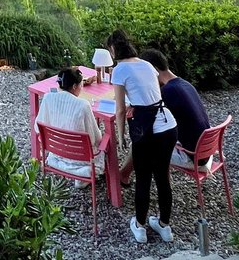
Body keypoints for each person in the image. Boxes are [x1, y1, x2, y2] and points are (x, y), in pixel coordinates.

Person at [109, 31, 179, 244]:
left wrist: (120, 135)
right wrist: (136, 104)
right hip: (168, 125)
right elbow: (151, 94)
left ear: (112, 50)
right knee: (162, 177)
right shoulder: (147, 65)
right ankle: (165, 227)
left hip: (147, 131)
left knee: (143, 179)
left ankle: (140, 227)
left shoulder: (119, 70)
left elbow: (119, 110)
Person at [140, 49, 213, 173]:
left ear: (154, 70)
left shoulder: (168, 92)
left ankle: (122, 177)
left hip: (193, 157)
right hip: (207, 149)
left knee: (140, 146)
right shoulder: (185, 84)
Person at [35, 67, 103, 187]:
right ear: (74, 87)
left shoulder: (48, 98)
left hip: (56, 153)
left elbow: (37, 128)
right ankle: (86, 177)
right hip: (81, 159)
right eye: (81, 85)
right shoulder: (83, 105)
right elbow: (96, 139)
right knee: (106, 142)